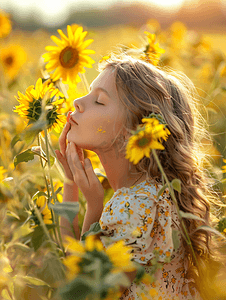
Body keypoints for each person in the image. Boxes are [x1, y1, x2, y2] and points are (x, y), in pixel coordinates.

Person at [55, 54, 226, 300]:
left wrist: (94, 205)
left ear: (133, 132)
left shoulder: (133, 206)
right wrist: (70, 181)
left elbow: (89, 291)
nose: (77, 102)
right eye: (88, 93)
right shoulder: (151, 195)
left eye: (99, 101)